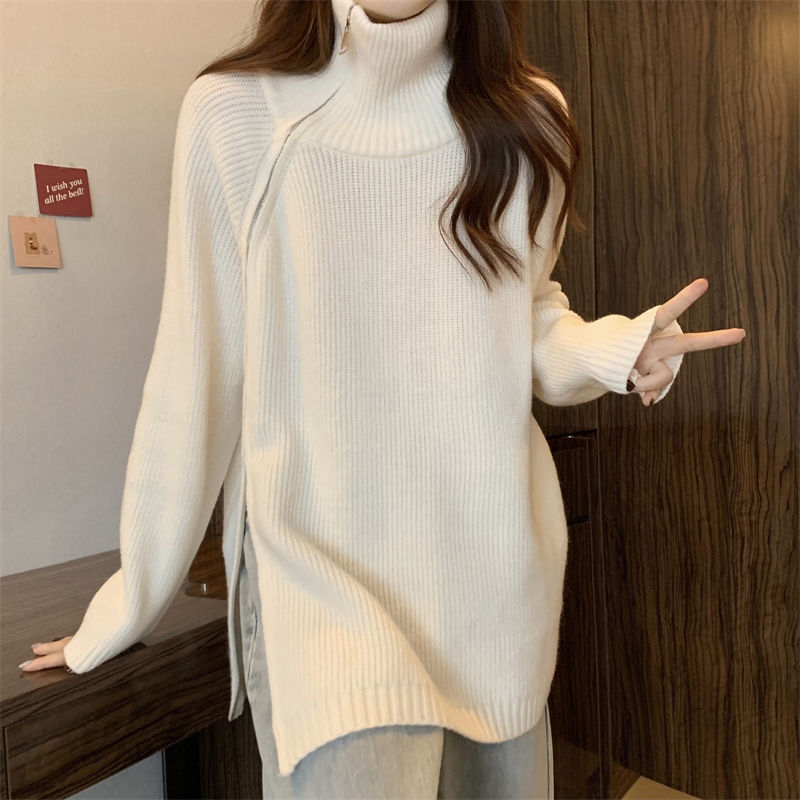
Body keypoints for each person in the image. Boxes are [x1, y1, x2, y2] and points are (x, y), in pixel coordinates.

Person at [20, 0, 746, 797]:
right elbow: (195, 370)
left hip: (488, 575)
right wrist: (134, 597)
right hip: (319, 583)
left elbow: (526, 318)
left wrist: (616, 351)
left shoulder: (529, 115)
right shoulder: (237, 112)